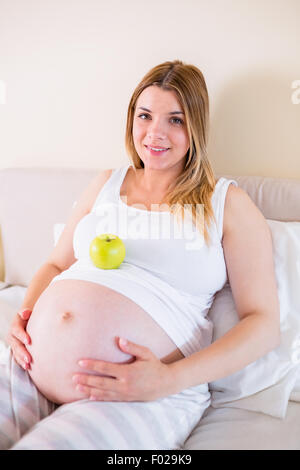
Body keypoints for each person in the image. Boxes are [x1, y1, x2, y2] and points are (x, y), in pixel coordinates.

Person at [1, 60, 280, 450]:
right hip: (30, 364)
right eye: (145, 115)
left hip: (146, 390)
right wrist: (24, 318)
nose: (155, 133)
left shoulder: (226, 204)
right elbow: (55, 264)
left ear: (196, 129)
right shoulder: (106, 183)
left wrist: (170, 379)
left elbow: (264, 324)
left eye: (175, 120)